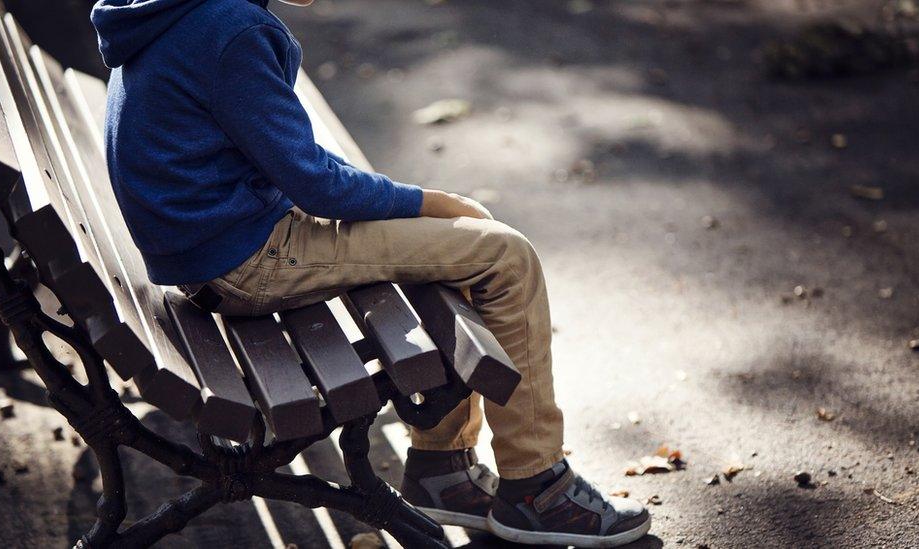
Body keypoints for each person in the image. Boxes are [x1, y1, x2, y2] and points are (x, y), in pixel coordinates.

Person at [90, 0, 651, 545]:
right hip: (250, 259)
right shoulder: (231, 27)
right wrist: (434, 202)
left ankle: (443, 470)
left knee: (455, 249)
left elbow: (292, 161)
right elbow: (317, 184)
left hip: (212, 250)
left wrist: (420, 209)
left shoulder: (177, 10)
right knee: (505, 255)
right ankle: (536, 488)